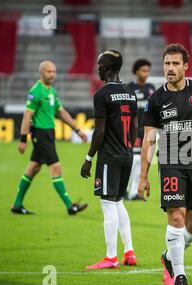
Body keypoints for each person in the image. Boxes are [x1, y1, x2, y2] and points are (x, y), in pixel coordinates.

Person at [138, 43, 192, 285]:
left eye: (175, 63)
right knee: (176, 216)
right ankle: (180, 277)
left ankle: (168, 257)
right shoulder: (155, 100)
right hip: (171, 163)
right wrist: (143, 176)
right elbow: (149, 140)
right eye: (166, 63)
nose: (170, 68)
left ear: (186, 66)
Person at [81, 50, 139, 269]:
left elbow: (99, 132)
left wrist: (88, 158)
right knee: (118, 202)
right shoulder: (130, 93)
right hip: (126, 155)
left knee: (107, 204)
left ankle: (111, 257)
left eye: (99, 64)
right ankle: (129, 252)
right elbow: (134, 127)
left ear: (105, 68)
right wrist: (127, 148)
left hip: (109, 157)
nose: (97, 68)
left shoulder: (102, 95)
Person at [11, 60, 88, 215]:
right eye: (49, 71)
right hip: (40, 134)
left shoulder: (51, 91)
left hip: (48, 134)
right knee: (56, 168)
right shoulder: (36, 91)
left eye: (54, 71)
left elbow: (61, 113)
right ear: (41, 72)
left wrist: (77, 129)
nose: (52, 74)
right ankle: (70, 206)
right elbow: (27, 115)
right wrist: (23, 140)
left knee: (33, 168)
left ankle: (17, 205)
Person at [126, 59, 156, 200]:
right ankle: (128, 190)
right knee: (135, 159)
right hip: (133, 129)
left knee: (141, 159)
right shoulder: (130, 88)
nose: (146, 73)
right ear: (136, 71)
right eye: (143, 70)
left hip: (147, 129)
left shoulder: (151, 88)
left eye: (148, 70)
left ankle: (133, 191)